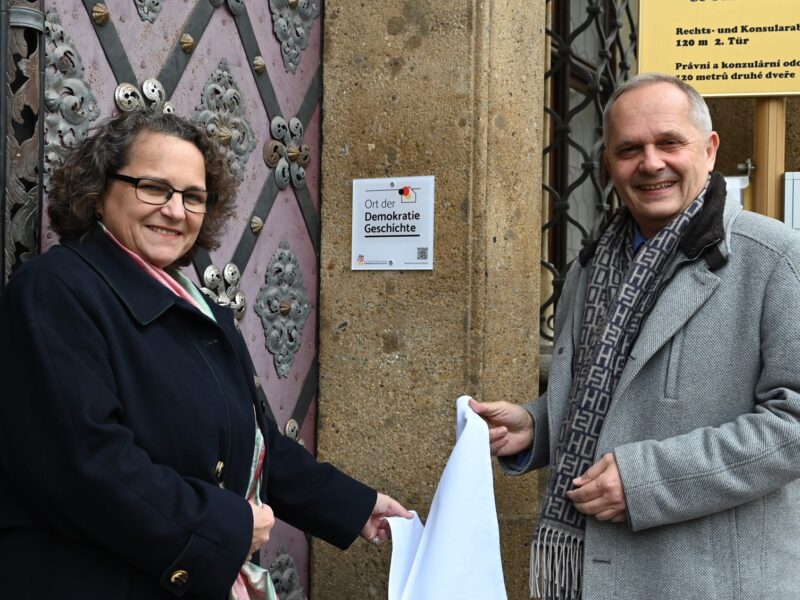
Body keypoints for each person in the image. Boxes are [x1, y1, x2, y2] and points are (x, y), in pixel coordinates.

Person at [0, 110, 410, 599]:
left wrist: (356, 506)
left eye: (193, 196)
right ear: (98, 190)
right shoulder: (54, 290)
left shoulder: (199, 307)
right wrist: (227, 525)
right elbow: (85, 464)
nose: (175, 211)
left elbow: (258, 446)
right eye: (153, 188)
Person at [471, 72, 800, 599]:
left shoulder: (776, 258)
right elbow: (613, 402)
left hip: (711, 582)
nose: (650, 163)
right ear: (609, 165)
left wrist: (650, 481)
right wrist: (537, 425)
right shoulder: (589, 269)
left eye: (669, 142)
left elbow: (795, 423)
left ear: (710, 149)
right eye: (629, 149)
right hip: (591, 577)